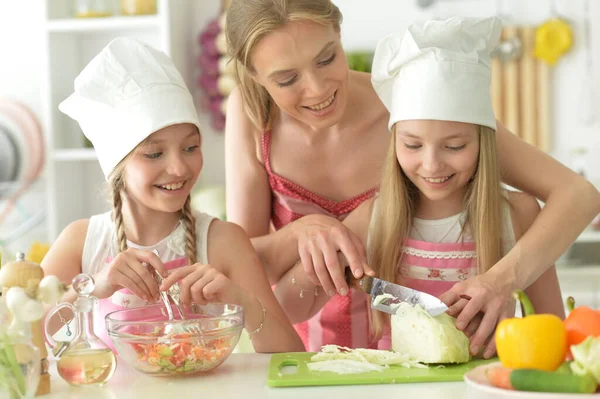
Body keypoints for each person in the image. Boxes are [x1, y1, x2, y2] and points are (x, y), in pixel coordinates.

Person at [223, 0, 600, 353]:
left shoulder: (414, 104)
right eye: (287, 79)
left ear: (339, 33)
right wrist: (301, 232)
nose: (318, 88)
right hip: (312, 354)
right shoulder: (251, 113)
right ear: (254, 76)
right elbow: (240, 267)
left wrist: (502, 279)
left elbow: (578, 194)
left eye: (326, 58)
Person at [41, 37, 303, 353]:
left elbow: (290, 355)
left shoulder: (223, 241)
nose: (179, 168)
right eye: (154, 154)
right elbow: (24, 338)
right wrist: (94, 287)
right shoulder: (82, 242)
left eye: (191, 147)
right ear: (118, 166)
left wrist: (242, 300)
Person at [349, 16, 564, 357]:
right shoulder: (369, 220)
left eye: (454, 146)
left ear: (482, 143)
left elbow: (553, 330)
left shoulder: (519, 216)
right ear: (394, 144)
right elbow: (299, 299)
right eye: (413, 145)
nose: (432, 165)